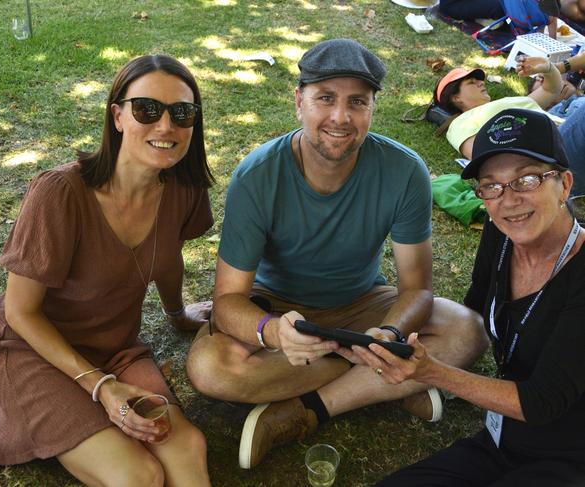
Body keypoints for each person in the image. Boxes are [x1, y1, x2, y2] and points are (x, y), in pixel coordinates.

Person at [186, 38, 487, 470]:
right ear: (299, 102)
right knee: (210, 370)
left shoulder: (404, 170)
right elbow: (229, 302)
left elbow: (417, 289)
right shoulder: (257, 175)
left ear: (371, 109)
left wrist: (388, 335)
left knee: (468, 331)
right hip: (281, 307)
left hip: (364, 306)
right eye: (325, 98)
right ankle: (389, 383)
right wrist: (273, 333)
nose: (340, 117)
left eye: (357, 102)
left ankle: (307, 407)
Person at [0, 54, 214, 487]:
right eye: (147, 109)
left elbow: (168, 256)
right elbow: (21, 312)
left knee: (187, 448)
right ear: (118, 116)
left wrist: (177, 314)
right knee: (138, 475)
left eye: (182, 113)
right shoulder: (60, 194)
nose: (166, 127)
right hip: (34, 350)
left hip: (116, 347)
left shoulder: (185, 188)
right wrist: (102, 388)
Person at [345, 108, 585, 486]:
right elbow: (475, 304)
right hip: (501, 437)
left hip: (571, 455)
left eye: (527, 179)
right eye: (491, 185)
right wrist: (399, 344)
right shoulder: (500, 235)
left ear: (565, 184)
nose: (508, 200)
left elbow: (541, 403)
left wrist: (432, 373)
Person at [433, 56, 585, 197]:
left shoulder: (510, 102)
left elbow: (551, 89)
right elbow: (480, 154)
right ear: (456, 97)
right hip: (552, 155)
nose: (481, 83)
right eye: (471, 83)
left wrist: (548, 68)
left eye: (479, 81)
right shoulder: (461, 122)